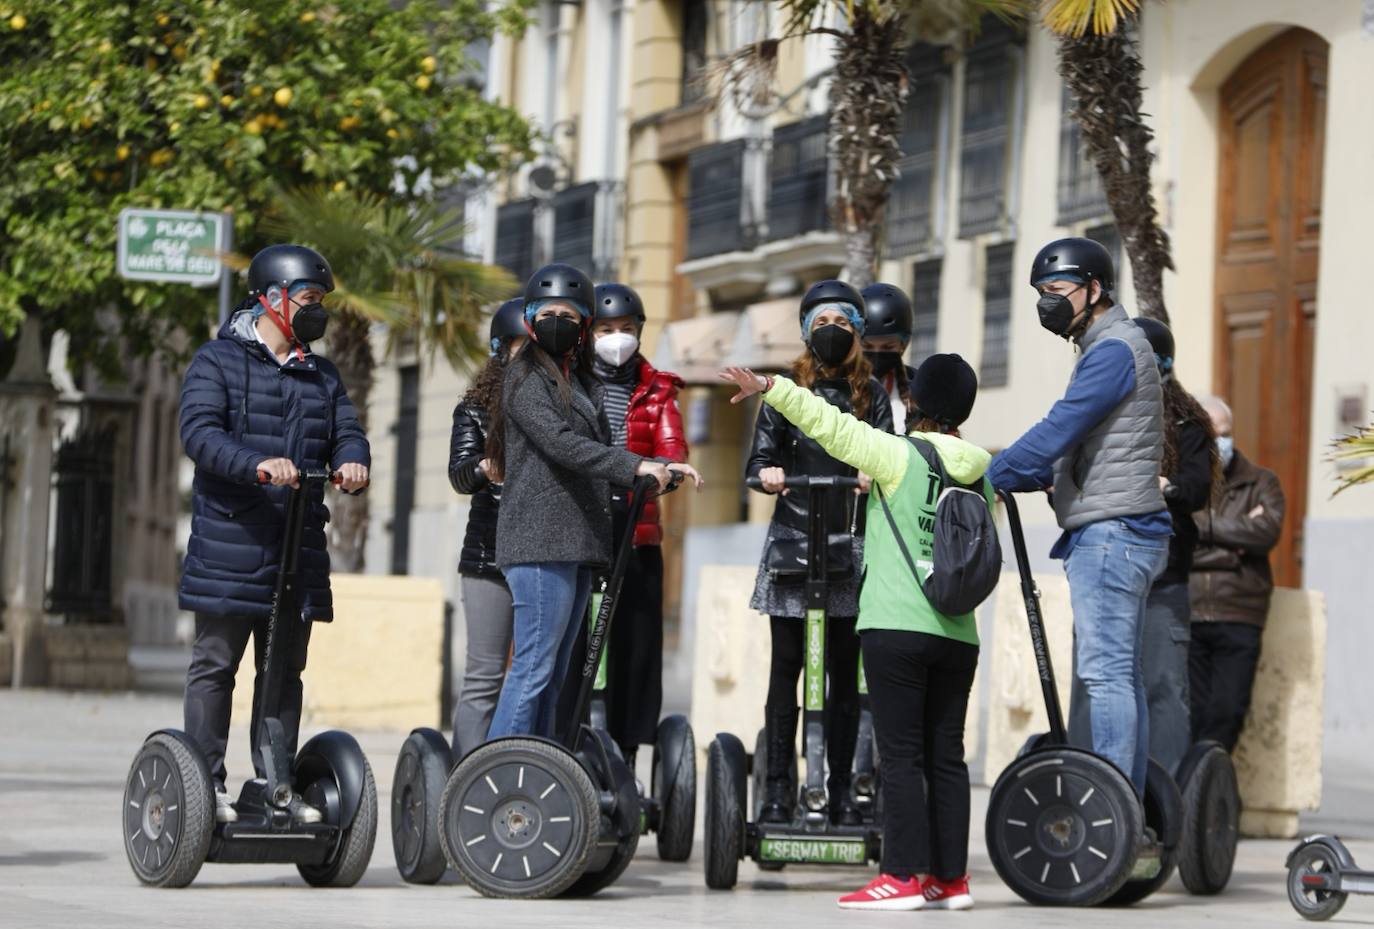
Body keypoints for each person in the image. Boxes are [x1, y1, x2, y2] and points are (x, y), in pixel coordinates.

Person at [721, 353, 990, 912]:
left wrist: (773, 387)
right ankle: (951, 880)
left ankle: (901, 877)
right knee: (946, 756)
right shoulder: (978, 470)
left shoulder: (897, 454)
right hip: (958, 634)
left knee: (899, 756)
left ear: (913, 404)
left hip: (896, 626)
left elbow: (829, 424)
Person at [179, 244, 370, 825]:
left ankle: (275, 783)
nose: (318, 312)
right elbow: (199, 433)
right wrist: (256, 463)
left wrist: (354, 462)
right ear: (271, 298)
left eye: (320, 302)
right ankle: (205, 786)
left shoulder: (322, 374)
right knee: (216, 665)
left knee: (284, 670)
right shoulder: (218, 362)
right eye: (308, 300)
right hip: (232, 543)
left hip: (298, 546)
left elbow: (348, 433)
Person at [485, 264, 701, 740]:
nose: (558, 321)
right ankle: (496, 767)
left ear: (582, 323)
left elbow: (601, 440)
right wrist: (635, 466)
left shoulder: (572, 378)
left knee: (556, 675)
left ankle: (541, 765)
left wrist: (663, 467)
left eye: (569, 313)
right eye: (549, 312)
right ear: (531, 319)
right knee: (533, 669)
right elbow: (560, 443)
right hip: (541, 541)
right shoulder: (526, 377)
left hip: (576, 542)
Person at [986, 237, 1169, 796]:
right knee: (1123, 675)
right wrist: (1044, 473)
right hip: (1125, 529)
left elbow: (1061, 425)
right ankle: (1128, 810)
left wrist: (988, 475)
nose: (1047, 303)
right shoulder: (1112, 348)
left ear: (1094, 289)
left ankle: (1112, 812)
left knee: (1107, 675)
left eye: (1056, 291)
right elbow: (1090, 439)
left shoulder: (1113, 350)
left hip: (1111, 535)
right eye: (1040, 293)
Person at [746, 279, 893, 827]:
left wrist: (868, 474)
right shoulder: (785, 390)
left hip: (847, 545)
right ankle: (779, 790)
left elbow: (888, 458)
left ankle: (838, 794)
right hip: (792, 543)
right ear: (807, 329)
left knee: (840, 670)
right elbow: (754, 464)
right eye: (822, 323)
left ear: (858, 330)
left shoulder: (871, 394)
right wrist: (769, 474)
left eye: (843, 323)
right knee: (787, 668)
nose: (832, 332)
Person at [1068, 317, 1216, 775]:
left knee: (1162, 686)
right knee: (1094, 684)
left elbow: (1195, 488)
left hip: (1162, 581)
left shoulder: (1188, 423)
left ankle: (1160, 801)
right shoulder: (1103, 411)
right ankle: (1084, 789)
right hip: (1103, 564)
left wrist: (1162, 486)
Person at [584, 282, 688, 770]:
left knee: (637, 650)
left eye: (626, 329)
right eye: (606, 329)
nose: (617, 338)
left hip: (638, 534)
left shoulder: (658, 388)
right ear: (589, 333)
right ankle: (573, 746)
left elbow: (672, 449)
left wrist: (667, 472)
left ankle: (625, 757)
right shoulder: (572, 382)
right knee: (579, 649)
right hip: (582, 533)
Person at [447, 297, 527, 757]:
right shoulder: (475, 410)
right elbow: (459, 475)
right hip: (488, 557)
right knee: (484, 675)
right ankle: (464, 777)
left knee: (538, 673)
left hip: (544, 554)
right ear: (501, 349)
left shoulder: (563, 405)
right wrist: (482, 467)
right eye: (522, 347)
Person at [1189, 396, 1284, 751]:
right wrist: (1236, 539)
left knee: (1228, 712)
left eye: (1224, 433)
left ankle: (1210, 788)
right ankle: (1189, 797)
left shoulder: (1262, 482)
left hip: (1240, 611)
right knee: (1191, 715)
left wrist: (1204, 530)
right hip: (1190, 609)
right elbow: (1176, 536)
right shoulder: (1186, 483)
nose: (1219, 443)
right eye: (1210, 435)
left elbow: (1267, 533)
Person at [860, 282, 917, 432]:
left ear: (903, 345)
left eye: (888, 347)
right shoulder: (838, 387)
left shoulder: (918, 388)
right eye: (867, 347)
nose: (877, 354)